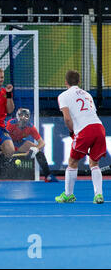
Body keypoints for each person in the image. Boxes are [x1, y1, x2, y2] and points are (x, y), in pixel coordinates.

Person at [55, 70, 105, 204]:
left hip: (85, 130)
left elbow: (67, 119)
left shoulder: (63, 96)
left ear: (65, 82)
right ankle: (98, 195)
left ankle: (68, 195)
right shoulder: (88, 94)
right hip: (99, 128)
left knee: (72, 162)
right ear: (79, 81)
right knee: (94, 163)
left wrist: (72, 132)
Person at [6, 107, 59, 182]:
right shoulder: (11, 123)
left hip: (19, 143)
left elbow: (42, 143)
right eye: (21, 115)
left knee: (39, 153)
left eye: (26, 116)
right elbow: (4, 137)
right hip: (7, 142)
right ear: (17, 116)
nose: (23, 118)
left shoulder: (30, 127)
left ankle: (48, 176)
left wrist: (35, 149)